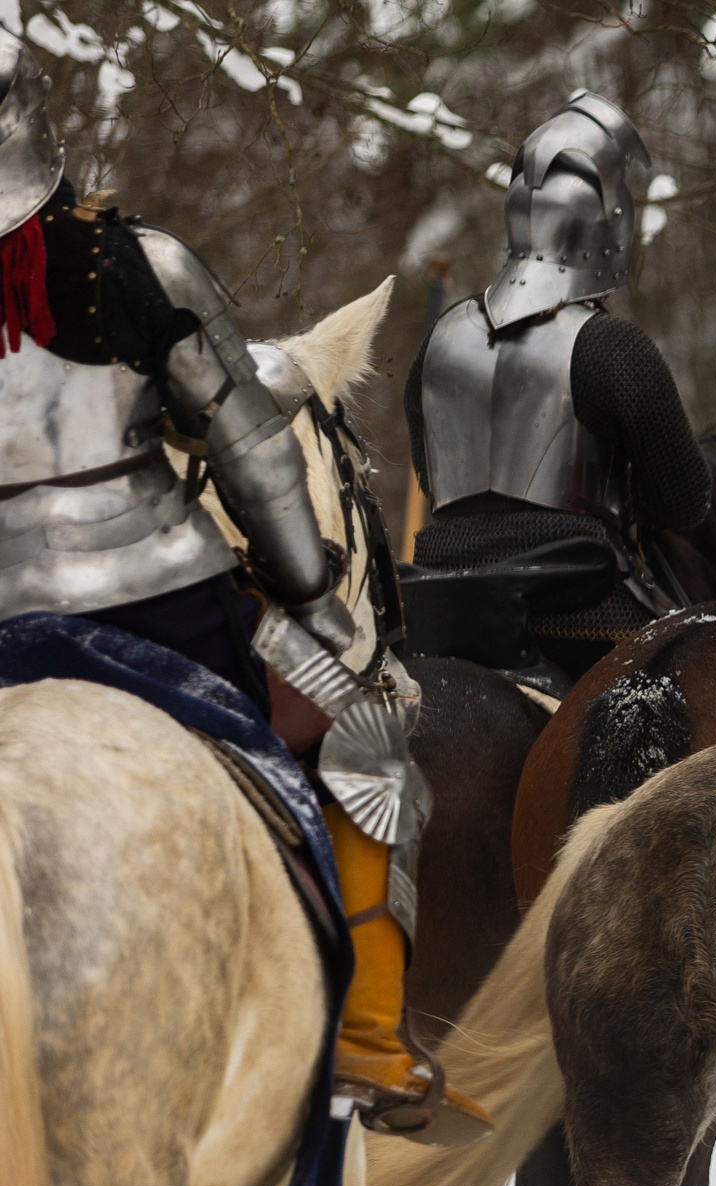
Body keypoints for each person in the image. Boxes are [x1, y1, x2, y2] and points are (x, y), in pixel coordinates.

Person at [0, 44, 454, 1128]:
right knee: (370, 724)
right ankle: (372, 1042)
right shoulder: (134, 263)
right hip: (162, 608)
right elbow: (249, 446)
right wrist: (307, 589)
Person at [405, 91, 711, 691]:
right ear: (608, 225)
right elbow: (685, 503)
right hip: (580, 607)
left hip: (441, 596)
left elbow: (432, 481)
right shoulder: (612, 347)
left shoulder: (440, 341)